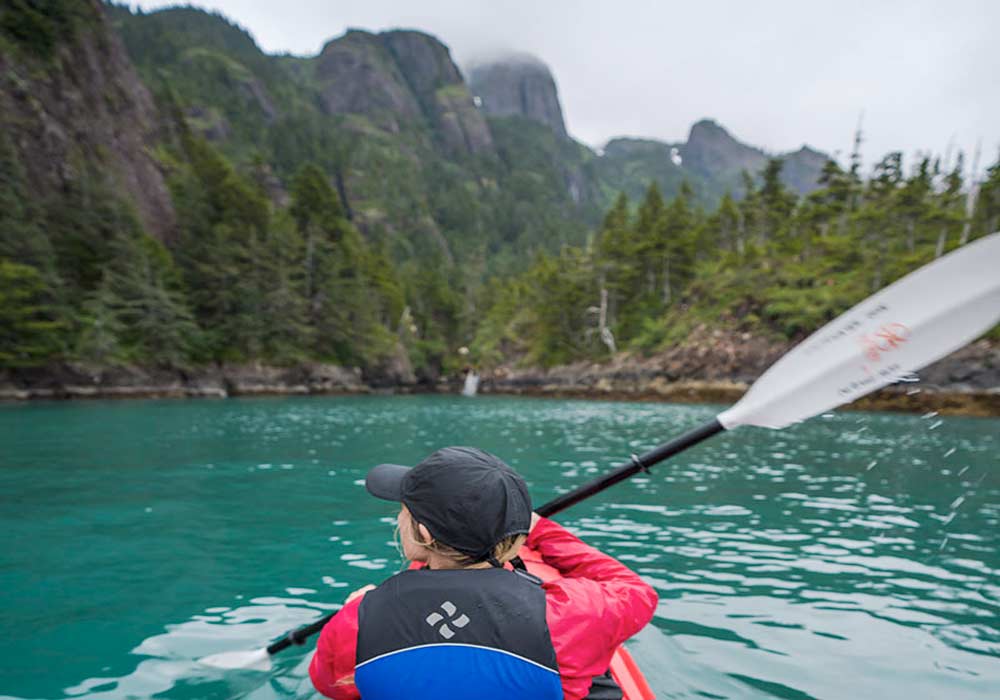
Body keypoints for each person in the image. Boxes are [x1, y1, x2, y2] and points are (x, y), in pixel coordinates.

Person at [309, 446, 658, 700]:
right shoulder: (572, 615)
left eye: (404, 511)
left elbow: (328, 684)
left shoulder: (359, 619)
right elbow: (636, 591)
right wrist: (544, 532)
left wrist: (354, 610)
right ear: (514, 534)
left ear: (426, 534)